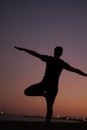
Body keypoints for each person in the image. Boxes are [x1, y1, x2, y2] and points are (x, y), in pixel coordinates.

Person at [14, 46, 87, 124]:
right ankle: (44, 97)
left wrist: (24, 49)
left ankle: (47, 118)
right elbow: (75, 70)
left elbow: (35, 54)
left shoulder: (52, 60)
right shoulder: (58, 62)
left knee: (30, 93)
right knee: (49, 106)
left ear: (54, 51)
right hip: (49, 86)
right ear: (61, 53)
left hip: (47, 85)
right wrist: (86, 75)